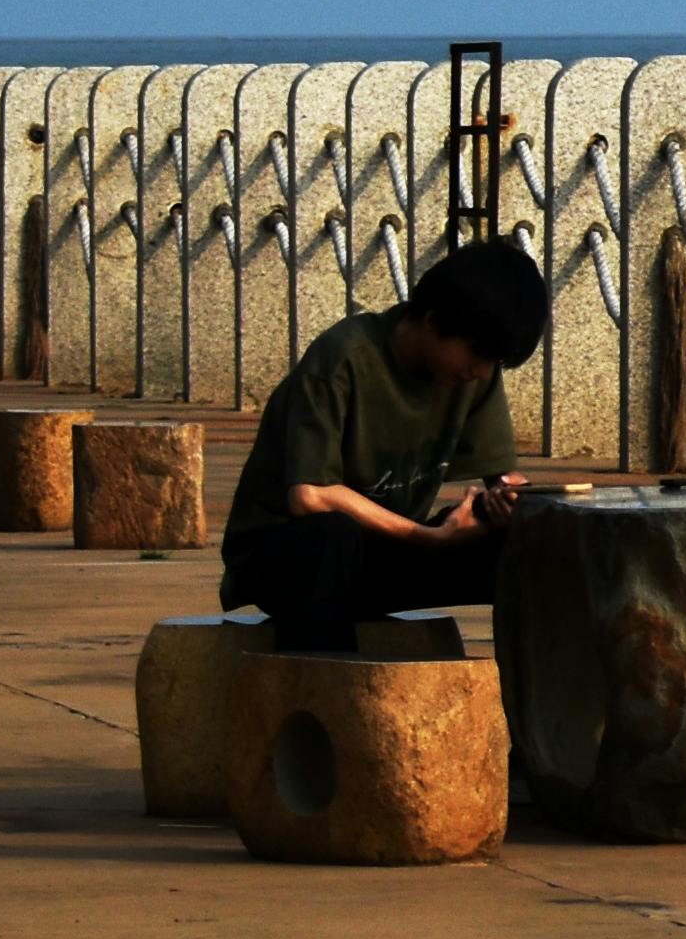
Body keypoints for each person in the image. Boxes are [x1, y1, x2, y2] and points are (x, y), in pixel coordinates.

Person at [219, 237, 551, 647]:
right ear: (432, 321)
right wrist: (426, 536)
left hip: (383, 553)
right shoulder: (344, 357)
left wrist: (506, 503)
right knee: (332, 535)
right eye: (478, 354)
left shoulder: (470, 374)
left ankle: (538, 699)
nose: (482, 371)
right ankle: (329, 697)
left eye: (495, 362)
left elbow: (500, 476)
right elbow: (308, 496)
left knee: (533, 539)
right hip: (290, 562)